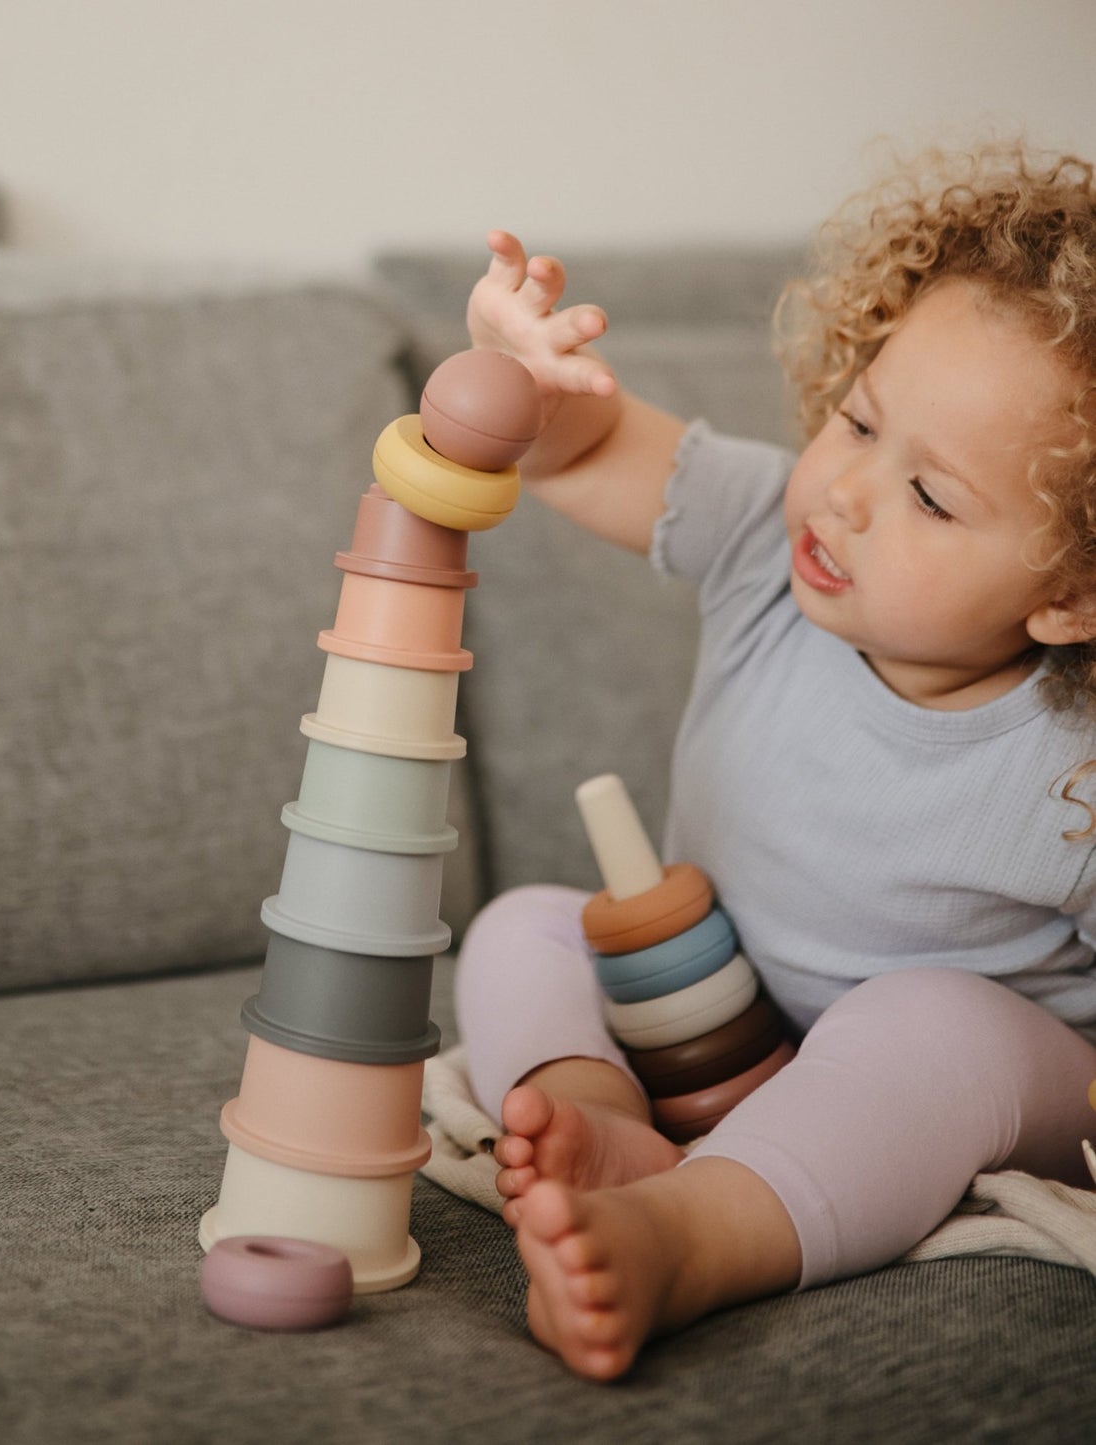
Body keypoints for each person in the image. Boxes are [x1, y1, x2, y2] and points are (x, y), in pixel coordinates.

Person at [453, 141, 1096, 1381]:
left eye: (931, 497)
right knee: (523, 923)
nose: (844, 493)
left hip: (969, 1082)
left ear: (1068, 593)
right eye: (857, 420)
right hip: (713, 1021)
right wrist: (519, 379)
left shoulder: (1070, 777)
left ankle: (687, 1233)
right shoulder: (762, 534)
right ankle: (599, 1118)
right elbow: (581, 453)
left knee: (928, 1018)